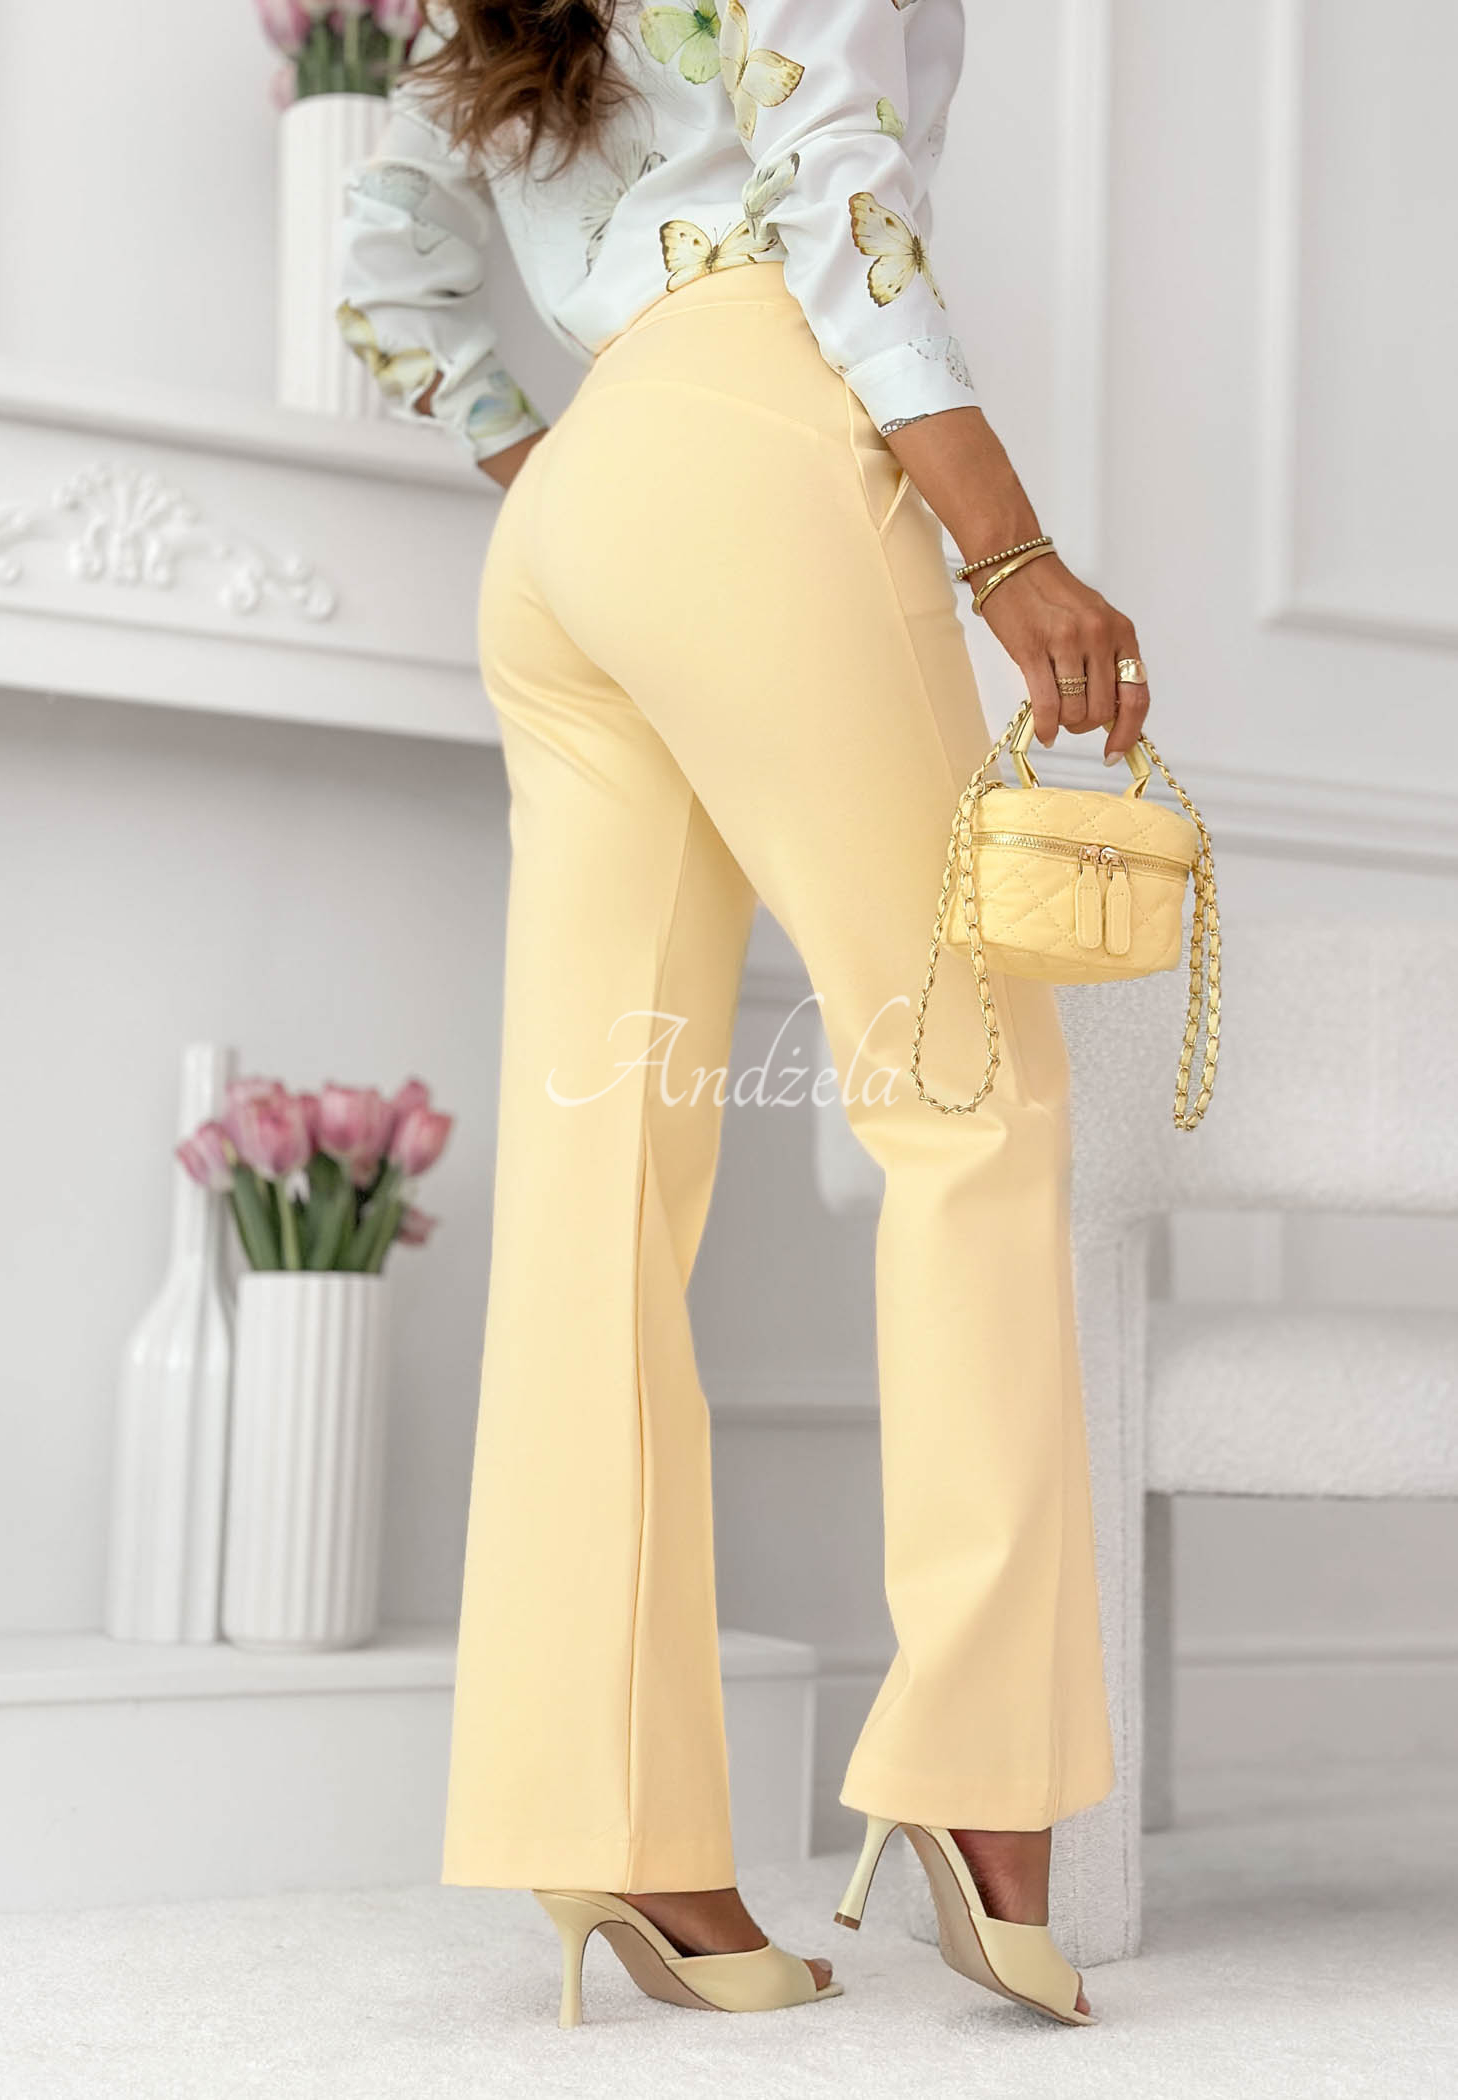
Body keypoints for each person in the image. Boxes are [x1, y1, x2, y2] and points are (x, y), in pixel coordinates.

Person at [338, 0, 1148, 2031]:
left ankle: (608, 1818)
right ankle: (982, 1771)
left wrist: (562, 467)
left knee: (597, 1181)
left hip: (575, 511)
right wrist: (1011, 548)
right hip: (766, 431)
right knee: (968, 1096)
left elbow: (387, 262)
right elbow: (835, 175)